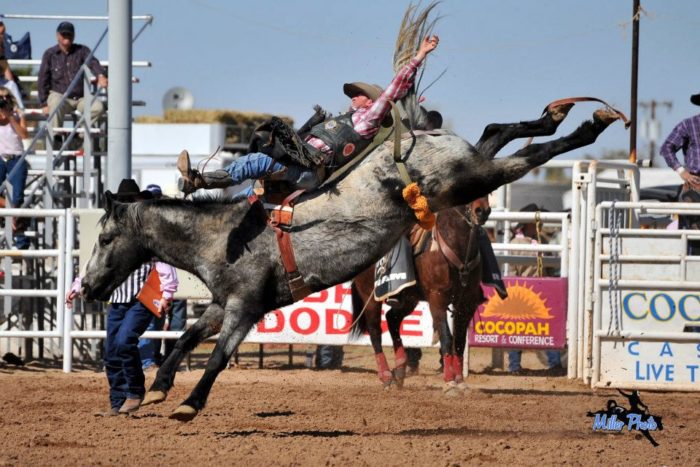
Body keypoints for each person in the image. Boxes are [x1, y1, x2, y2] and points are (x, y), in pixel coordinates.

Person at [176, 35, 440, 197]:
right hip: (301, 165)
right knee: (250, 192)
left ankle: (200, 180)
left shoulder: (368, 119)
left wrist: (419, 55)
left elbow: (393, 89)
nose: (353, 97)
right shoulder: (345, 119)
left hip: (311, 170)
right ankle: (208, 198)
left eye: (358, 94)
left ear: (371, 102)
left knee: (255, 161)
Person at [66, 179, 178, 416]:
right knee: (112, 351)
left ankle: (134, 392)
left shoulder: (146, 232)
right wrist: (79, 284)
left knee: (124, 341)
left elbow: (163, 262)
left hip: (142, 297)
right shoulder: (118, 231)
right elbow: (96, 262)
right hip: (118, 298)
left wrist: (167, 292)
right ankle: (118, 403)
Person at [506, 204, 563, 374]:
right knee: (520, 327)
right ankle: (515, 365)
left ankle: (551, 363)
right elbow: (511, 272)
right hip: (524, 291)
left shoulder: (536, 242)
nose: (541, 226)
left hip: (539, 289)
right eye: (537, 223)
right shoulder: (518, 243)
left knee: (544, 326)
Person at [37, 22, 108, 137]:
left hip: (81, 98)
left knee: (98, 107)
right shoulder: (50, 54)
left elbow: (93, 63)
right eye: (64, 34)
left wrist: (100, 75)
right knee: (55, 103)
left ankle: (77, 136)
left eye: (69, 34)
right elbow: (42, 79)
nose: (67, 37)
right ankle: (56, 139)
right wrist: (44, 103)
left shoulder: (82, 51)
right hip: (60, 96)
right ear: (58, 36)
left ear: (74, 36)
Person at [660, 92, 700, 253]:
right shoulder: (689, 124)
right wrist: (681, 170)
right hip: (695, 182)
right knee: (693, 230)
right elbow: (666, 147)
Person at [0, 88, 29, 249]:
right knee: (14, 205)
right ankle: (11, 212)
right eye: (0, 98)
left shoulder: (18, 114)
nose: (3, 100)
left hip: (16, 157)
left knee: (17, 198)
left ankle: (21, 241)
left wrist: (11, 116)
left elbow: (24, 135)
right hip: (0, 158)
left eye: (6, 97)